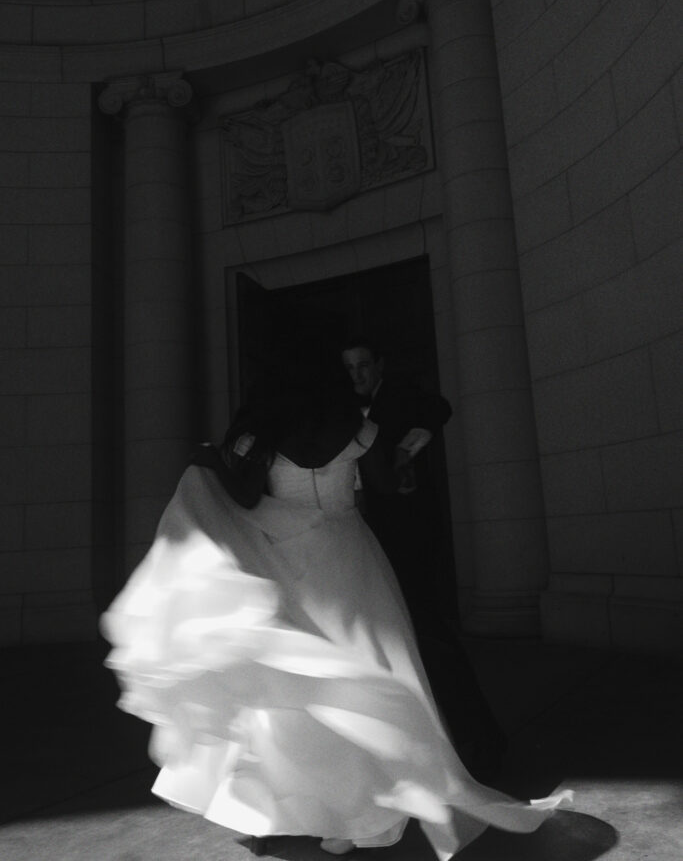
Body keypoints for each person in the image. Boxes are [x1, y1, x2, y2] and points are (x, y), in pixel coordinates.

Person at [101, 331, 570, 859]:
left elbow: (245, 495)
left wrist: (208, 461)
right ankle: (364, 816)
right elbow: (387, 488)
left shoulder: (259, 430)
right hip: (352, 557)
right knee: (368, 673)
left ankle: (298, 808)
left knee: (300, 687)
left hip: (290, 562)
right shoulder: (355, 427)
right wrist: (403, 456)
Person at [341, 336, 507, 781]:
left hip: (406, 533)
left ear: (379, 363)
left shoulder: (402, 395)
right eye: (349, 367)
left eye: (361, 364)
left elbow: (439, 409)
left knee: (428, 633)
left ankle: (476, 741)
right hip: (364, 538)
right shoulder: (340, 410)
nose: (355, 374)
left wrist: (405, 450)